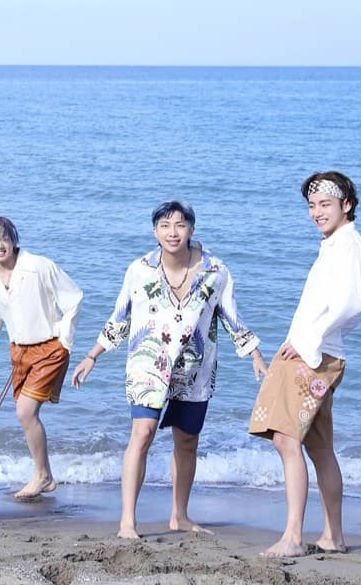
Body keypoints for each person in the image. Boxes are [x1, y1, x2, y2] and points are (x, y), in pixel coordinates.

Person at [72, 200, 265, 539]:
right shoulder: (139, 269)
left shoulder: (215, 270)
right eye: (165, 225)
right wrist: (92, 356)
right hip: (148, 364)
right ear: (155, 232)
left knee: (187, 441)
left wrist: (255, 355)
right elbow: (120, 316)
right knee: (142, 433)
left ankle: (180, 515)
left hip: (195, 367)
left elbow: (231, 315)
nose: (172, 232)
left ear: (191, 229)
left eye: (179, 225)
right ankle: (127, 521)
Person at [248, 171, 361, 558]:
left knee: (286, 439)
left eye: (325, 204)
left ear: (346, 205)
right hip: (315, 352)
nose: (317, 212)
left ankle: (293, 537)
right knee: (318, 448)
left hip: (314, 356)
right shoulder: (335, 244)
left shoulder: (348, 245)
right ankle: (333, 536)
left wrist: (307, 342)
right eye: (312, 205)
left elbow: (350, 306)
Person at [0, 216, 83, 499]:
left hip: (49, 348)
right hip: (19, 352)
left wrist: (65, 339)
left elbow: (73, 297)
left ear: (14, 239)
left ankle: (42, 475)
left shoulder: (38, 266)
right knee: (25, 414)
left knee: (25, 412)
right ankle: (45, 475)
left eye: (4, 238)